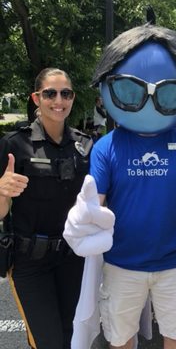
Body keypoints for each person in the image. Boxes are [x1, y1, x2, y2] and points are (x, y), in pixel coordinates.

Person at [63, 24, 176, 349]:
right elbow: (95, 200)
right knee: (120, 338)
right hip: (121, 263)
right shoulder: (108, 146)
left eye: (169, 92)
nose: (149, 101)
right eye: (130, 91)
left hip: (172, 262)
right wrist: (85, 221)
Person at [0, 68, 92, 349]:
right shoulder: (14, 144)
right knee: (47, 341)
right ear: (36, 98)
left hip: (74, 259)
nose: (58, 100)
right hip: (31, 262)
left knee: (71, 338)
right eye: (50, 93)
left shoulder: (85, 146)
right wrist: (2, 190)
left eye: (66, 93)